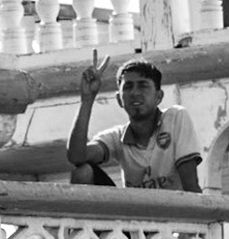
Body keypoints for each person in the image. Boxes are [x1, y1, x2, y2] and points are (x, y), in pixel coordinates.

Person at [67, 53, 203, 192]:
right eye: (128, 87)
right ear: (119, 99)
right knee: (82, 173)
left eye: (143, 86)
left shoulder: (175, 117)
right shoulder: (117, 137)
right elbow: (77, 157)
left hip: (173, 205)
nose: (135, 93)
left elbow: (191, 186)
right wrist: (87, 99)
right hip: (132, 206)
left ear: (158, 97)